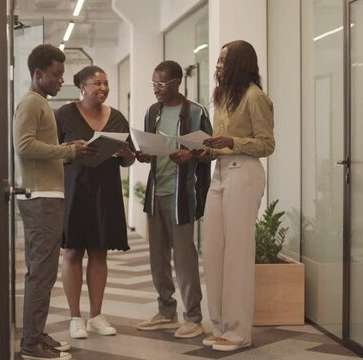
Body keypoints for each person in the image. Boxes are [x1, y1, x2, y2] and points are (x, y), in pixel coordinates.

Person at [13, 44, 94, 360]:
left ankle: (35, 333)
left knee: (42, 272)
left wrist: (64, 147)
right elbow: (24, 146)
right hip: (41, 198)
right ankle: (30, 344)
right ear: (38, 73)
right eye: (56, 74)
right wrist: (67, 151)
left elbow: (39, 145)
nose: (62, 79)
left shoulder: (40, 103)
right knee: (42, 274)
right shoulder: (31, 104)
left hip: (48, 196)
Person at [200, 40, 275, 352]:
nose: (217, 66)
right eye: (217, 61)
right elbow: (221, 143)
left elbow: (266, 144)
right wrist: (202, 149)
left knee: (237, 257)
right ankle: (219, 326)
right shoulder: (223, 96)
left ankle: (239, 332)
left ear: (239, 63)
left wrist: (232, 141)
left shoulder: (256, 97)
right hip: (219, 172)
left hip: (244, 173)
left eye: (222, 61)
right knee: (213, 250)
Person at [55, 65, 135, 339]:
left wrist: (125, 153)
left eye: (105, 83)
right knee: (73, 251)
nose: (102, 88)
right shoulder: (64, 114)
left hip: (106, 191)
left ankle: (97, 315)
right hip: (75, 190)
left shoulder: (118, 117)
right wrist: (72, 152)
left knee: (100, 252)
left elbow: (128, 159)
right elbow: (51, 154)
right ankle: (75, 317)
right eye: (96, 83)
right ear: (82, 87)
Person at [134, 61, 212, 339]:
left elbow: (210, 151)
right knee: (157, 257)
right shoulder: (152, 112)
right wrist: (144, 154)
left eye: (162, 84)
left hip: (182, 196)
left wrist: (192, 155)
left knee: (184, 258)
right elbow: (151, 149)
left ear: (177, 82)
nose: (157, 88)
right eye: (154, 83)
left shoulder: (196, 112)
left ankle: (193, 317)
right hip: (157, 194)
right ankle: (166, 311)